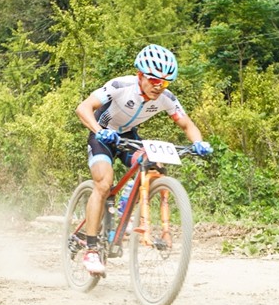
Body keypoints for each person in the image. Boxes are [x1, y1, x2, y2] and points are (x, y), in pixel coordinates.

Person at [74, 44, 212, 275]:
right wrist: (99, 130)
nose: (159, 87)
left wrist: (200, 142)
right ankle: (90, 250)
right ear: (140, 75)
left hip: (128, 137)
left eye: (164, 82)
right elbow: (83, 107)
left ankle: (122, 210)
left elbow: (187, 124)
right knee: (104, 184)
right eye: (154, 80)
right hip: (103, 133)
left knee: (153, 166)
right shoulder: (120, 86)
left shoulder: (166, 98)